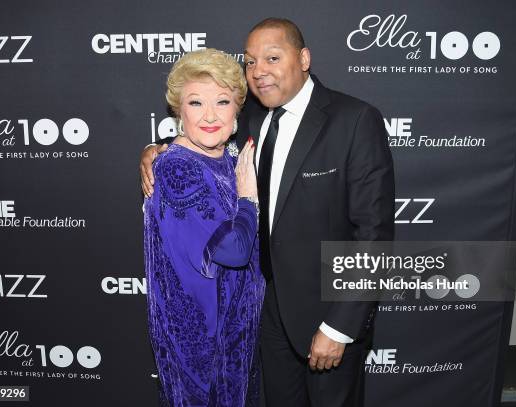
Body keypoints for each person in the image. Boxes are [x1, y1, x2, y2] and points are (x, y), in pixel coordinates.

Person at [141, 18, 394, 407]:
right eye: (251, 61)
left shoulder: (354, 120)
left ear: (304, 58)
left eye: (272, 57)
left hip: (324, 317)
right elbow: (203, 131)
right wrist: (155, 150)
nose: (260, 71)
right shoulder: (254, 117)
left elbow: (373, 234)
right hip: (263, 321)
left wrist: (341, 326)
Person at [143, 48, 265, 407]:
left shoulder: (228, 158)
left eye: (223, 102)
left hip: (237, 337)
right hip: (201, 346)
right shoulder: (177, 170)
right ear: (179, 111)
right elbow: (234, 251)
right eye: (196, 103)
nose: (210, 116)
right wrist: (248, 199)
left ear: (237, 109)